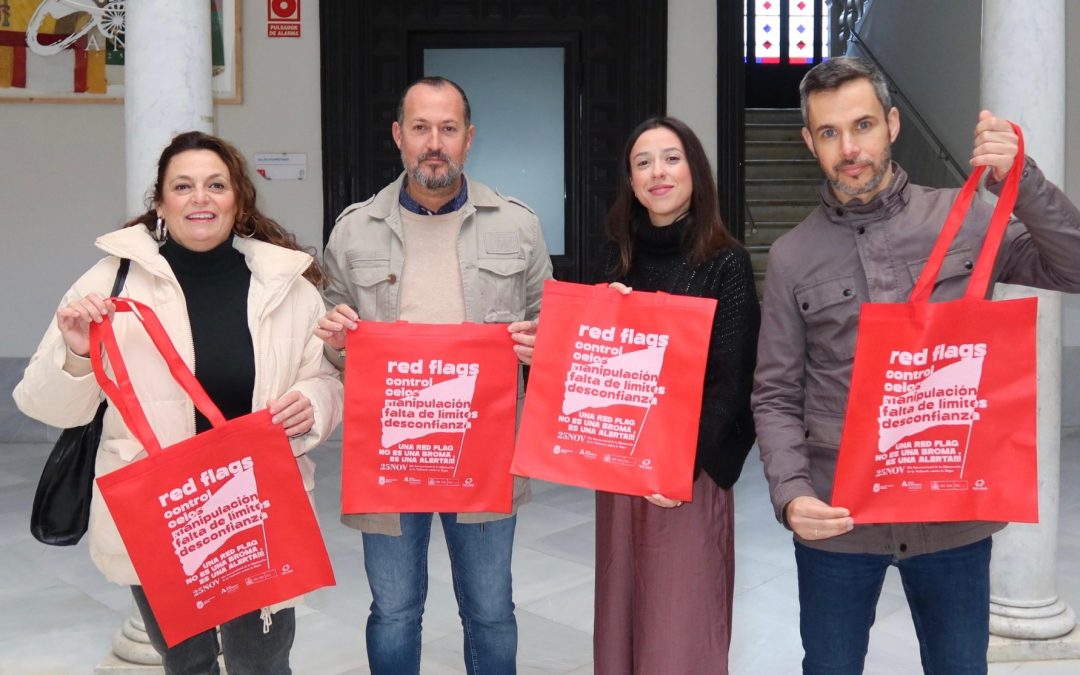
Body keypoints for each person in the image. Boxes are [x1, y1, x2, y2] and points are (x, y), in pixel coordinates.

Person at [753, 56, 1080, 675]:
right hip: (838, 517)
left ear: (893, 124)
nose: (850, 148)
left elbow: (1072, 266)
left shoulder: (962, 219)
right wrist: (792, 495)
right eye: (829, 133)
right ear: (809, 141)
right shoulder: (793, 256)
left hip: (952, 512)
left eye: (863, 125)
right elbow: (774, 393)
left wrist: (1022, 177)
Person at [14, 131, 344, 675]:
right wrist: (76, 353)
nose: (200, 198)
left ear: (238, 197)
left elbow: (324, 377)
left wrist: (313, 402)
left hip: (256, 504)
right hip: (165, 512)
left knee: (260, 662)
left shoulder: (285, 284)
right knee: (187, 663)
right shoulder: (109, 282)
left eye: (216, 185)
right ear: (160, 202)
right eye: (183, 186)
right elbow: (48, 407)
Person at [315, 76, 552, 674]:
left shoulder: (517, 226)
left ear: (469, 139)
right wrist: (338, 341)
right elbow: (336, 349)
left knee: (491, 608)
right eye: (421, 128)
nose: (434, 143)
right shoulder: (353, 230)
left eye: (448, 129)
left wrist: (540, 346)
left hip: (486, 448)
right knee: (394, 609)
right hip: (389, 454)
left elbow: (554, 337)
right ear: (399, 136)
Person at [594, 117, 759, 674]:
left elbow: (734, 380)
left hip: (687, 471)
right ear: (630, 180)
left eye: (671, 158)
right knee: (622, 610)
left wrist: (679, 465)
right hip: (621, 464)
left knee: (679, 619)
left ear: (695, 171)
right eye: (643, 162)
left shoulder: (725, 260)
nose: (657, 173)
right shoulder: (619, 258)